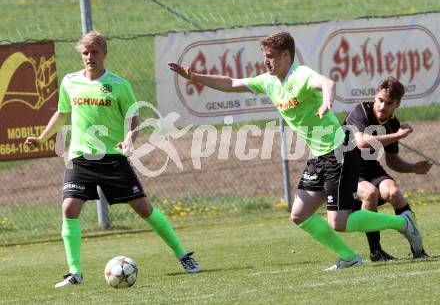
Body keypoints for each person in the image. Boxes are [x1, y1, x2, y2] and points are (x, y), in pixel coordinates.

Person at [168, 32, 424, 270]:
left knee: (339, 222)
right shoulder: (268, 82)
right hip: (319, 157)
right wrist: (193, 76)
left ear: (286, 56)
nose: (266, 62)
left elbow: (327, 82)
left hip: (339, 152)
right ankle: (349, 257)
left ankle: (403, 223)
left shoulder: (300, 75)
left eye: (270, 57)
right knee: (299, 215)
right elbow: (231, 82)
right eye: (265, 57)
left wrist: (326, 101)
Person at [25, 31, 201, 288]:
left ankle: (183, 255)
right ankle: (75, 273)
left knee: (143, 209)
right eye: (85, 53)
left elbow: (134, 120)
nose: (89, 57)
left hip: (112, 157)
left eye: (94, 52)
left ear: (104, 54)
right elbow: (62, 114)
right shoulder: (70, 82)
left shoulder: (119, 85)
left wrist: (130, 139)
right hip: (80, 157)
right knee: (69, 208)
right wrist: (42, 138)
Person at [344, 76, 432, 262]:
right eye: (380, 100)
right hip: (344, 168)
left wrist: (412, 168)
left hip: (369, 169)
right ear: (375, 97)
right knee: (370, 193)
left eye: (388, 103)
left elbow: (392, 162)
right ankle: (376, 252)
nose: (382, 106)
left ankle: (418, 249)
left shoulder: (393, 124)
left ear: (397, 104)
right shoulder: (361, 111)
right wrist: (396, 135)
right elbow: (361, 143)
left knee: (393, 193)